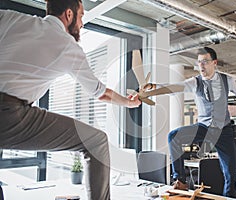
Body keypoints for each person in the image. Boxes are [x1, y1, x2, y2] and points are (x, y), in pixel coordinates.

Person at [0, 1, 141, 200]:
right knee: (95, 142)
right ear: (69, 14)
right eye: (81, 16)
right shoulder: (67, 45)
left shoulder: (11, 18)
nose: (82, 23)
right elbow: (100, 92)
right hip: (10, 115)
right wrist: (129, 102)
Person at [144, 47, 236, 197]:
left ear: (214, 63)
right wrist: (153, 87)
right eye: (199, 62)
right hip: (204, 128)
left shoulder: (227, 80)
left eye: (205, 62)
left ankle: (228, 197)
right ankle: (180, 180)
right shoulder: (195, 82)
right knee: (174, 136)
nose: (201, 66)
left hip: (224, 131)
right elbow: (174, 88)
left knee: (231, 174)